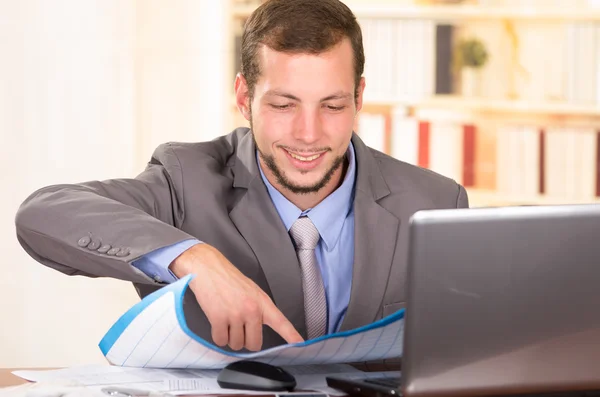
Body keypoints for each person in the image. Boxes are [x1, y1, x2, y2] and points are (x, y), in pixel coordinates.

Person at [15, 0, 469, 356]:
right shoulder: (185, 180)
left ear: (359, 96)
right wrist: (193, 258)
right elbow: (43, 213)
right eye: (283, 105)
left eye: (332, 105)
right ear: (243, 96)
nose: (308, 135)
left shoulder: (435, 202)